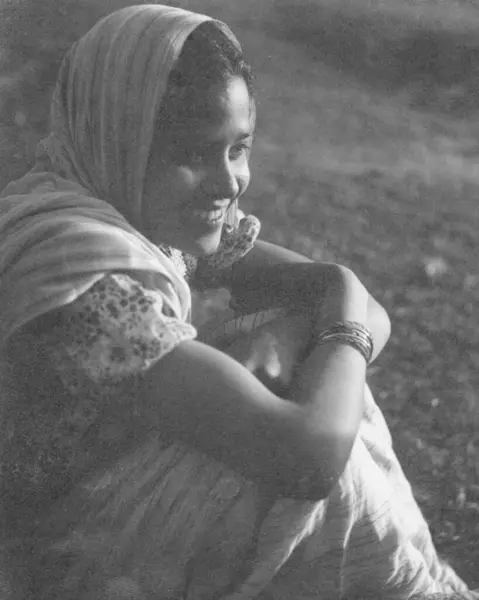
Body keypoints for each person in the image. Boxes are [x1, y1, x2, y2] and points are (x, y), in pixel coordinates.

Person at [0, 4, 476, 599]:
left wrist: (291, 329)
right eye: (192, 156)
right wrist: (332, 316)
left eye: (238, 148)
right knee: (331, 448)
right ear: (115, 136)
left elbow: (352, 300)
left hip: (114, 518)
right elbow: (308, 459)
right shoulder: (90, 281)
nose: (228, 182)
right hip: (61, 555)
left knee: (319, 372)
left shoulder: (126, 214)